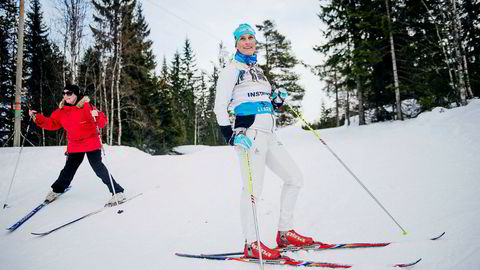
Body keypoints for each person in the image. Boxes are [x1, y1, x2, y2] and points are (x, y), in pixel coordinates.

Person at [214, 23, 314, 260]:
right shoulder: (231, 70)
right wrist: (231, 135)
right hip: (250, 135)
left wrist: (277, 100)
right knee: (252, 190)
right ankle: (251, 243)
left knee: (294, 178)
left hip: (269, 134)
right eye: (242, 38)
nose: (248, 41)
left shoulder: (259, 72)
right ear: (236, 43)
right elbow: (219, 108)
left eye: (251, 37)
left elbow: (267, 104)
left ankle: (285, 232)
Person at [28, 84, 126, 206]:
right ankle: (58, 189)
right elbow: (52, 123)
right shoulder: (62, 111)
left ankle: (118, 192)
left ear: (76, 94)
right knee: (68, 169)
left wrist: (98, 117)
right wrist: (37, 118)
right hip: (75, 144)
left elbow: (101, 122)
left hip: (91, 142)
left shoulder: (86, 107)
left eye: (69, 93)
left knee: (98, 168)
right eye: (64, 93)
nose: (66, 96)